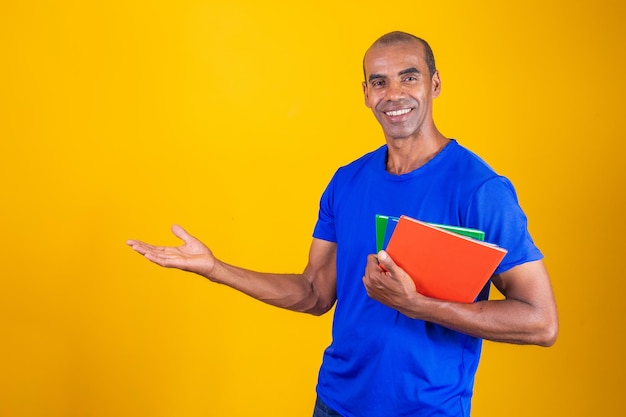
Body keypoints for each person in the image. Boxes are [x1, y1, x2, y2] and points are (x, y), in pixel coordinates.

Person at [127, 31, 558, 417]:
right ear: (366, 94)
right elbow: (314, 293)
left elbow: (540, 322)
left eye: (409, 77)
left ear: (435, 84)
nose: (394, 94)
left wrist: (419, 306)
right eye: (379, 82)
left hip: (426, 410)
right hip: (334, 404)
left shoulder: (480, 190)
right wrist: (215, 269)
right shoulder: (346, 181)